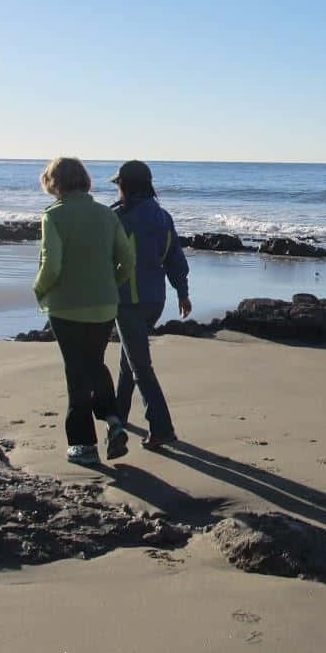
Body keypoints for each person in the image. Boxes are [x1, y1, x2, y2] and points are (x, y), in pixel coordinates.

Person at [33, 157, 136, 465]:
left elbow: (51, 265)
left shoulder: (53, 217)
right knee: (93, 364)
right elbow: (127, 261)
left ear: (54, 183)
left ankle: (83, 445)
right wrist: (108, 284)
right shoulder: (106, 214)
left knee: (76, 371)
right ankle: (114, 421)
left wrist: (39, 289)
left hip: (67, 307)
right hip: (105, 305)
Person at [108, 160, 191, 450]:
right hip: (156, 299)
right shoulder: (162, 216)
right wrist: (183, 292)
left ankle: (162, 428)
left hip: (128, 299)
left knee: (140, 366)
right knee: (128, 359)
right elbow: (175, 257)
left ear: (125, 186)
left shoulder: (118, 217)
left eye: (118, 185)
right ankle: (118, 416)